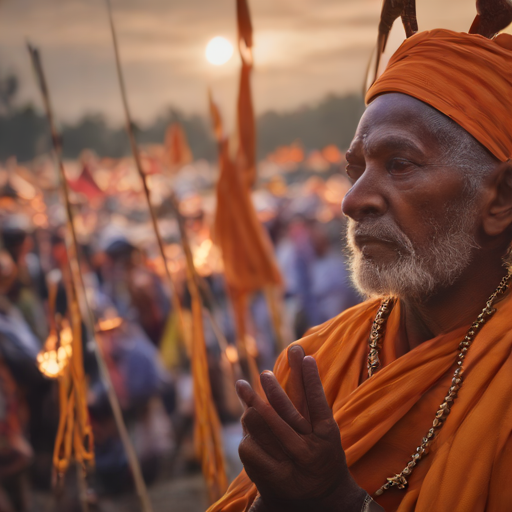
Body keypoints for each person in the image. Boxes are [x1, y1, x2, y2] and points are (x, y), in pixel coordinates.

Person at [208, 28, 512, 512]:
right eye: (356, 169)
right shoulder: (316, 361)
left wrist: (337, 502)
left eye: (399, 164)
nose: (352, 201)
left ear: (501, 199)